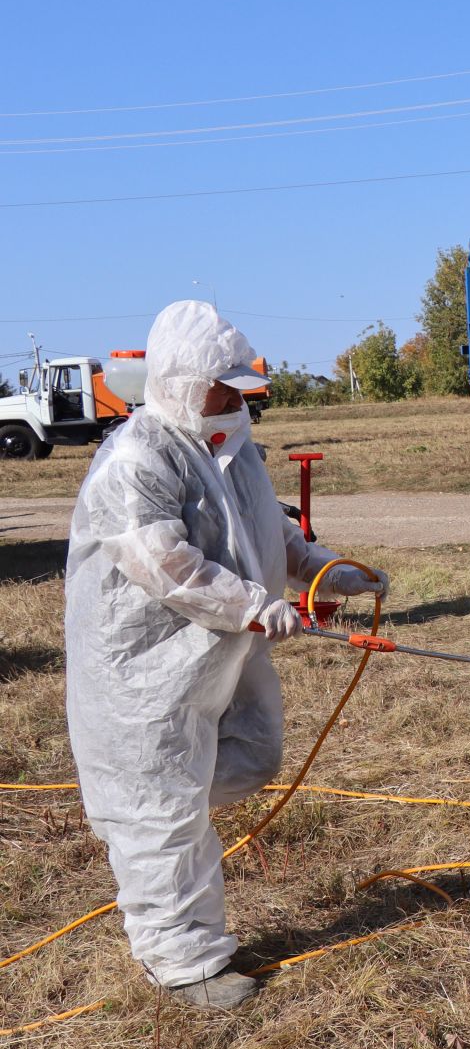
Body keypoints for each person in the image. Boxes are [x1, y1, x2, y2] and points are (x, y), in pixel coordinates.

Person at [64, 301, 388, 1010]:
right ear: (179, 381)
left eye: (235, 385)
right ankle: (184, 964)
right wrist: (251, 605)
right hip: (143, 672)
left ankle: (151, 816)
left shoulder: (230, 446)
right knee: (161, 808)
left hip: (218, 659)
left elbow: (268, 526)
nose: (233, 396)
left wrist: (326, 569)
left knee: (252, 754)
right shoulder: (137, 460)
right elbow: (167, 565)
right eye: (219, 385)